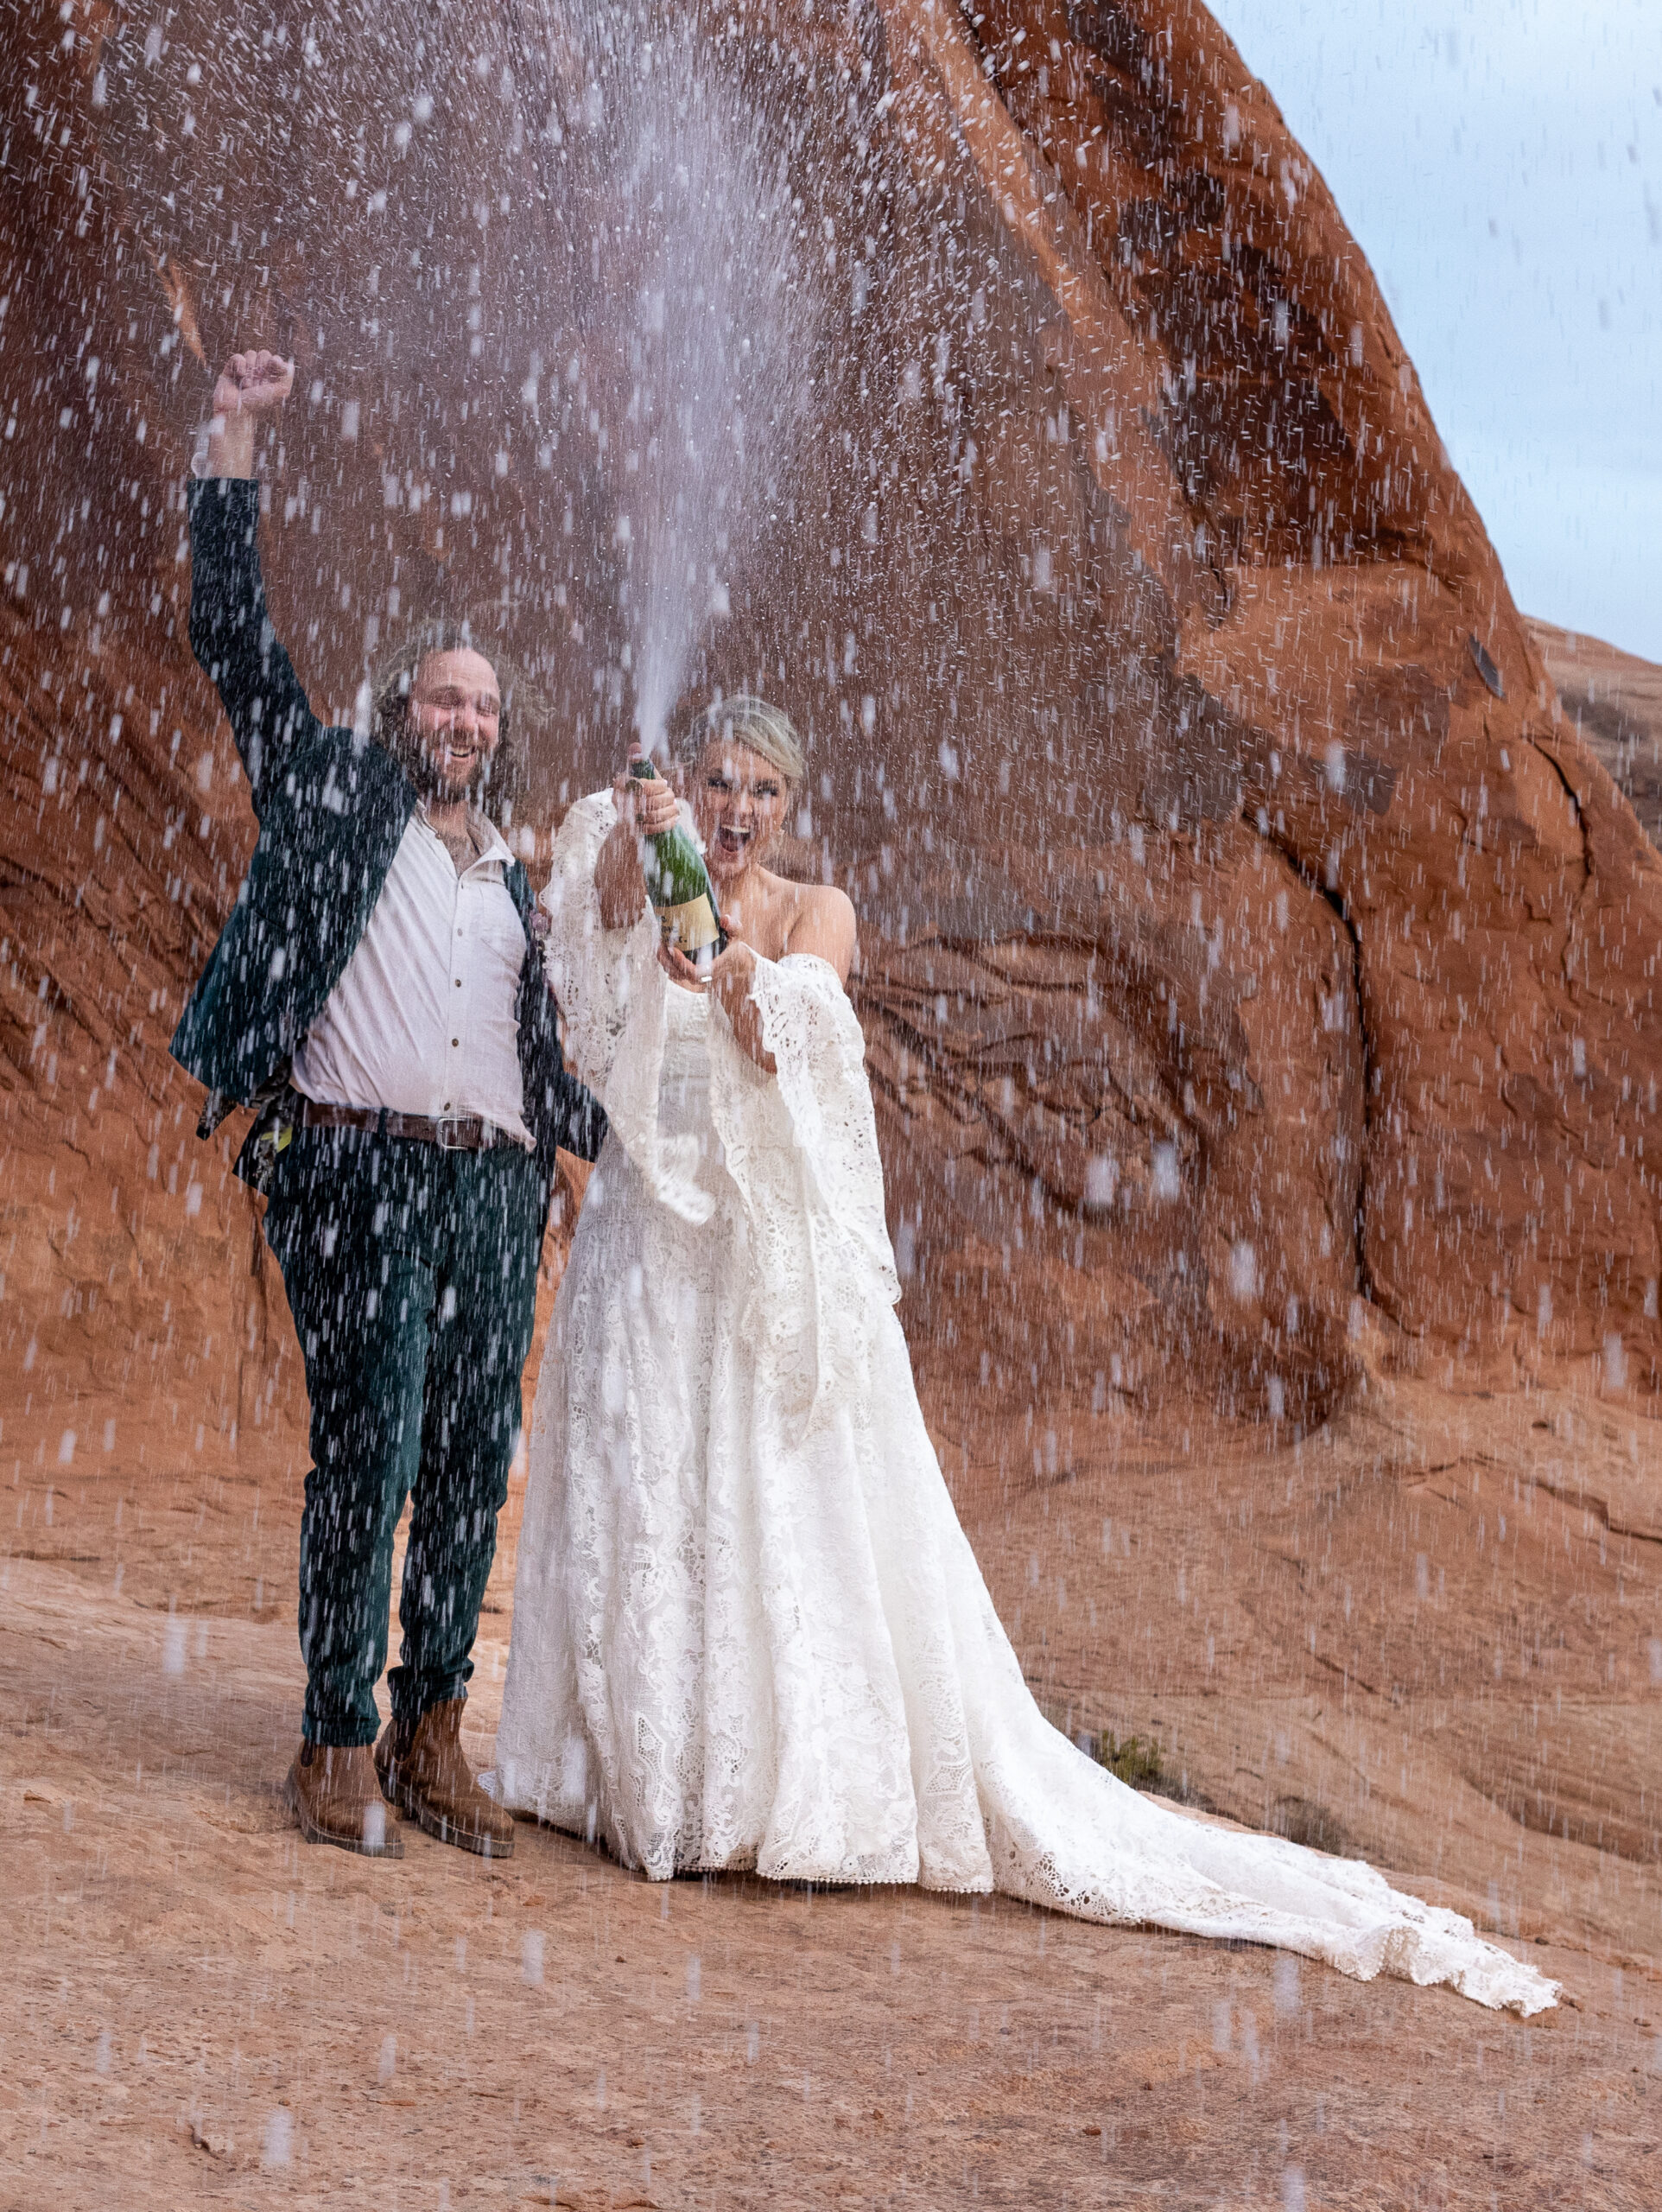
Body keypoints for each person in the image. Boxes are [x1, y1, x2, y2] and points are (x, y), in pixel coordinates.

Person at [492, 696, 1557, 2016]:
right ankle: (637, 1776)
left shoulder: (818, 912)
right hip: (657, 1243)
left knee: (773, 1505)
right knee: (648, 1489)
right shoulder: (651, 861)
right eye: (719, 783)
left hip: (767, 1264)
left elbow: (785, 1046)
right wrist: (641, 843)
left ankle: (768, 1791)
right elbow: (590, 929)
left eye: (762, 789)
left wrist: (727, 966)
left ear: (790, 803)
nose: (739, 808)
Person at [174, 350, 606, 1859]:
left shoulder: (527, 879)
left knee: (474, 1457)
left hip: (494, 1190)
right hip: (354, 1176)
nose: (467, 719)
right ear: (399, 708)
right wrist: (234, 438)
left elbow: (592, 1040)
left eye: (487, 704)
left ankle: (435, 1736)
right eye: (444, 694)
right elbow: (231, 636)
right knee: (372, 1443)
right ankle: (332, 1741)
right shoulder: (332, 794)